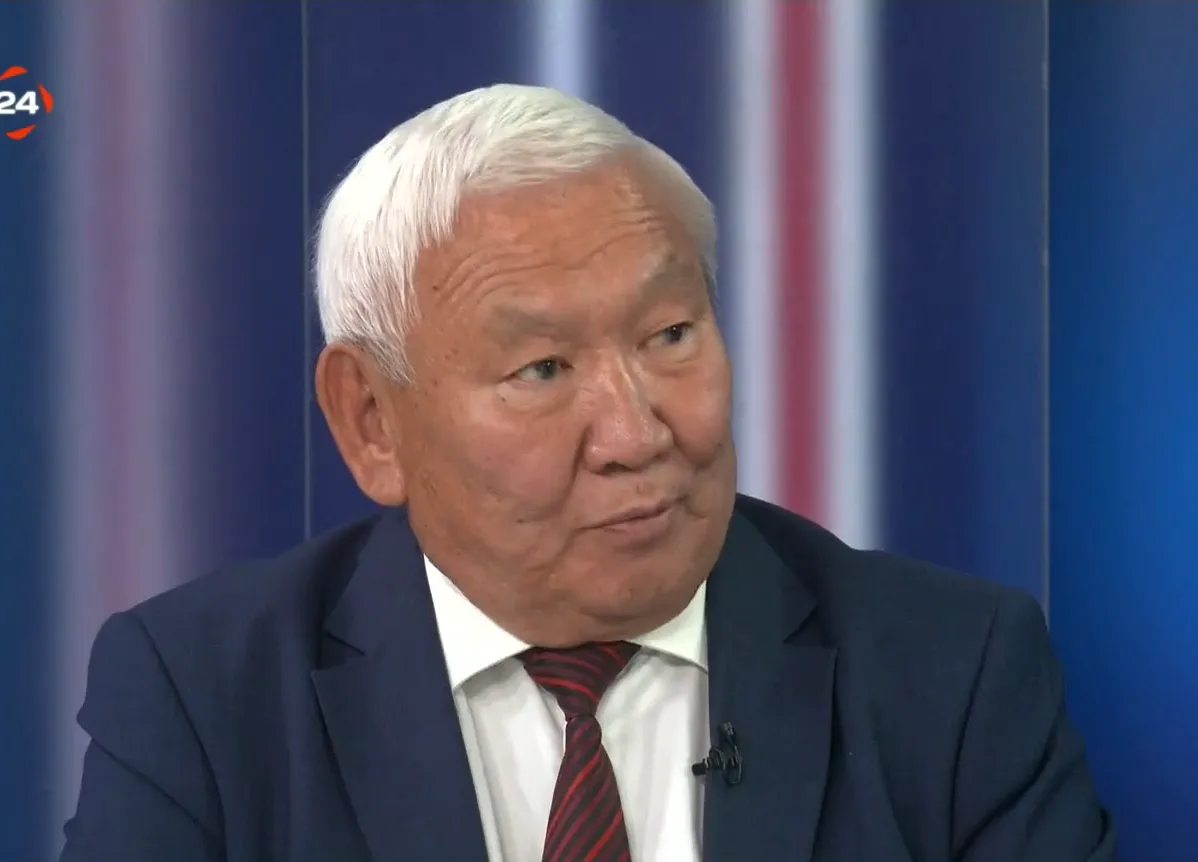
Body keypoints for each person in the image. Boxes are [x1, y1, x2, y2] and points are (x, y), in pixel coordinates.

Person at [60, 84, 1116, 862]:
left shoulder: (952, 673)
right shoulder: (204, 697)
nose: (636, 433)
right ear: (373, 421)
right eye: (543, 369)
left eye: (669, 335)